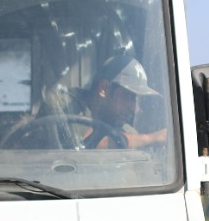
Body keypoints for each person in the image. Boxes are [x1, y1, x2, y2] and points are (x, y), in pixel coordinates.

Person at [31, 53, 167, 150]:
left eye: (135, 99)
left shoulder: (123, 127)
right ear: (104, 89)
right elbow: (83, 143)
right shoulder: (64, 104)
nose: (134, 108)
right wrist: (153, 138)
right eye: (128, 96)